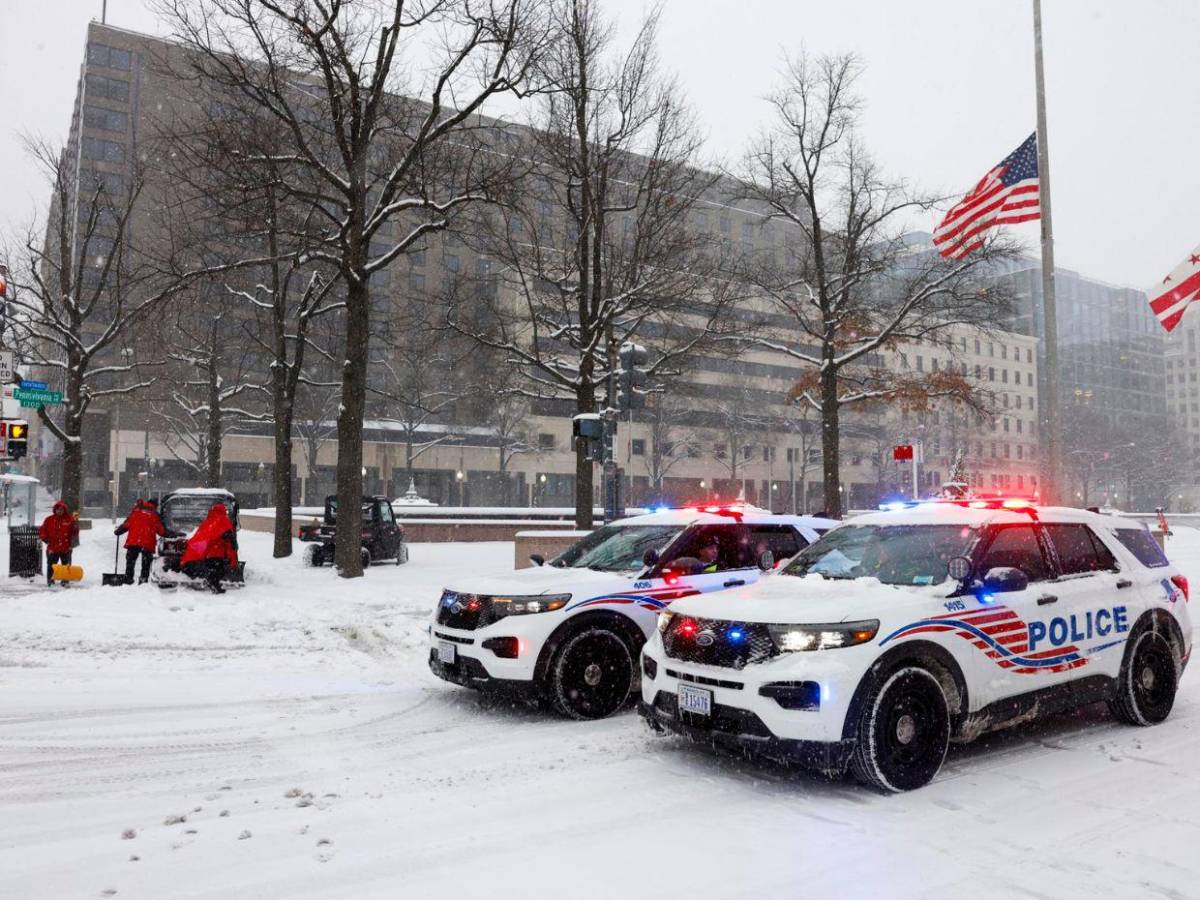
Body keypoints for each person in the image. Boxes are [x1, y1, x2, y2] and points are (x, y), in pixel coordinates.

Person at [180, 502, 239, 593]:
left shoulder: (209, 520)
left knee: (214, 569)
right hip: (218, 551)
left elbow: (207, 534)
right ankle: (215, 586)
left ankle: (214, 584)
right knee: (218, 570)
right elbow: (225, 533)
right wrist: (229, 540)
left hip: (210, 552)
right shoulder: (222, 519)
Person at [115, 498, 165, 584]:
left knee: (130, 561)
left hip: (133, 542)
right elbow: (161, 531)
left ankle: (128, 578)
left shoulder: (136, 511)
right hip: (147, 543)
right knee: (146, 563)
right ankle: (143, 580)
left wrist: (118, 531)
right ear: (155, 506)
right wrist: (172, 534)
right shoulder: (155, 515)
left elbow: (126, 524)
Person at [38, 500, 79, 587]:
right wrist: (45, 539)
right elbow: (42, 530)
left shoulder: (70, 520)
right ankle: (50, 581)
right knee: (51, 565)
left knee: (66, 565)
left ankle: (65, 581)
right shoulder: (49, 520)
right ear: (55, 510)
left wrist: (75, 526)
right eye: (58, 509)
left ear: (64, 510)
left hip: (66, 548)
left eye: (62, 509)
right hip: (53, 548)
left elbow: (74, 533)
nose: (60, 511)